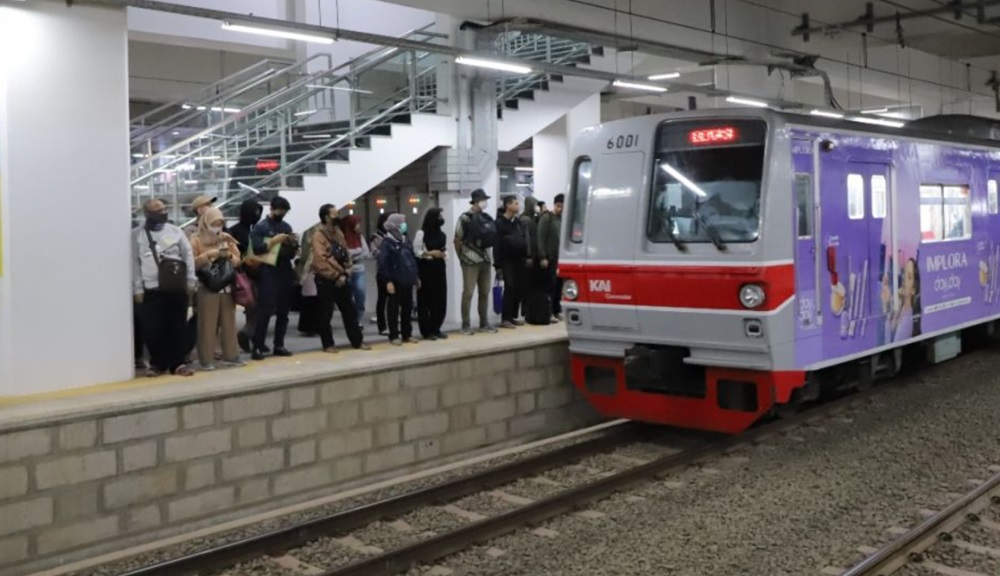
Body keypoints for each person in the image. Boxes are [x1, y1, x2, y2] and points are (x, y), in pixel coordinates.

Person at [132, 199, 197, 377]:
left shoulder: (176, 232)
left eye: (164, 209)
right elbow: (134, 263)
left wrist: (191, 280)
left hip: (176, 286)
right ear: (147, 214)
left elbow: (188, 255)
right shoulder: (137, 235)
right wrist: (137, 288)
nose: (163, 212)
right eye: (157, 210)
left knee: (177, 326)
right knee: (153, 328)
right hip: (151, 289)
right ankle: (158, 363)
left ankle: (178, 363)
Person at [190, 207, 244, 370]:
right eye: (214, 223)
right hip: (206, 287)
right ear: (206, 223)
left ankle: (232, 355)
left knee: (229, 323)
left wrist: (228, 255)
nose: (217, 227)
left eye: (220, 223)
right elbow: (191, 263)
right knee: (207, 324)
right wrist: (209, 255)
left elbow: (238, 261)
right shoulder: (196, 240)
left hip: (226, 286)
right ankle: (206, 359)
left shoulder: (226, 238)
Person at [312, 204, 370, 352]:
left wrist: (347, 271)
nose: (337, 216)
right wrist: (337, 275)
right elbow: (320, 260)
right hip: (326, 280)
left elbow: (346, 253)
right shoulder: (318, 235)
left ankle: (357, 341)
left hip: (343, 277)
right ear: (326, 217)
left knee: (350, 311)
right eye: (334, 214)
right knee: (326, 314)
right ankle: (328, 344)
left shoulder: (339, 233)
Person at [250, 196, 298, 360]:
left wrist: (292, 244)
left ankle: (279, 344)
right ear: (272, 208)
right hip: (268, 270)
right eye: (280, 210)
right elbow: (256, 249)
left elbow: (291, 253)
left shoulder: (286, 226)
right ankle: (257, 346)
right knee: (265, 310)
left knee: (284, 311)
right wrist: (273, 242)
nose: (282, 214)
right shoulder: (261, 227)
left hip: (284, 270)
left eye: (285, 211)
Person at [454, 189, 498, 335]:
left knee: (485, 292)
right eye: (484, 199)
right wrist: (461, 257)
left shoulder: (486, 217)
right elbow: (457, 239)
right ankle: (465, 325)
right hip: (470, 260)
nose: (486, 202)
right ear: (477, 201)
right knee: (468, 292)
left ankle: (484, 323)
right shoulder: (464, 218)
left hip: (485, 259)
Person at [378, 213, 421, 346]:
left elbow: (412, 259)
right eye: (402, 223)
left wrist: (416, 276)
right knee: (393, 309)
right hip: (395, 280)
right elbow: (383, 264)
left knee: (407, 308)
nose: (404, 225)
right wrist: (388, 281)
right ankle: (394, 335)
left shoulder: (406, 241)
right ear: (395, 226)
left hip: (407, 279)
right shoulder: (387, 243)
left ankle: (407, 333)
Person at [229, 198, 264, 353]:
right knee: (255, 307)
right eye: (255, 211)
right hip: (245, 273)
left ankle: (255, 338)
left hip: (260, 272)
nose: (257, 214)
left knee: (256, 308)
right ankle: (249, 334)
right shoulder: (236, 231)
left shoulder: (258, 228)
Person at [495, 195, 529, 329]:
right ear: (508, 205)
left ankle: (512, 316)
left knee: (518, 288)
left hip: (519, 259)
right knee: (509, 287)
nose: (518, 206)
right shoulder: (499, 223)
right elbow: (497, 244)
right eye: (515, 203)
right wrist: (497, 264)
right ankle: (505, 318)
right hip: (506, 260)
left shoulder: (518, 222)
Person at [414, 207, 448, 340]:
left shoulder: (442, 234)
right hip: (426, 269)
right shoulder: (421, 233)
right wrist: (430, 253)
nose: (441, 219)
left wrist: (443, 254)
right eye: (439, 216)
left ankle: (436, 328)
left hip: (439, 268)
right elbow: (416, 251)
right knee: (425, 301)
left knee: (440, 300)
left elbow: (444, 250)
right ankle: (426, 331)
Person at [537, 193, 565, 320]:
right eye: (558, 206)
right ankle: (548, 312)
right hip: (550, 257)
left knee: (559, 285)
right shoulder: (547, 217)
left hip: (561, 258)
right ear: (555, 205)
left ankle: (556, 310)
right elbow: (540, 237)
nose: (560, 209)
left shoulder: (563, 220)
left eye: (563, 206)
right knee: (550, 286)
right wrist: (543, 256)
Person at [342, 215, 371, 331]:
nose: (359, 226)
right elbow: (343, 252)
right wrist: (355, 253)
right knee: (347, 297)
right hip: (345, 270)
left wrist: (352, 254)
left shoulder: (359, 237)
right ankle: (350, 321)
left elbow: (366, 253)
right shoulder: (341, 237)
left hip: (359, 268)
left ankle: (358, 319)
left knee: (360, 293)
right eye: (356, 223)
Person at [296, 220, 323, 337]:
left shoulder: (311, 229)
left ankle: (309, 326)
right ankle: (313, 326)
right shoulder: (317, 229)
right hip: (313, 267)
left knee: (311, 298)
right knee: (313, 298)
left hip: (311, 267)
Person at [370, 213, 391, 335]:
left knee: (393, 300)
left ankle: (392, 323)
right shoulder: (375, 237)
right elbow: (375, 253)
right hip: (382, 271)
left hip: (394, 271)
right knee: (382, 299)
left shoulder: (394, 235)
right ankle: (382, 326)